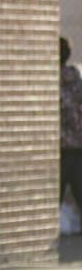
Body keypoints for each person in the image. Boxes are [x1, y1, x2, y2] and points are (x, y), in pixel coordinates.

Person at [60, 36, 82, 208]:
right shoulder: (76, 80)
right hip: (77, 146)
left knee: (52, 199)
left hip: (58, 149)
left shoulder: (48, 81)